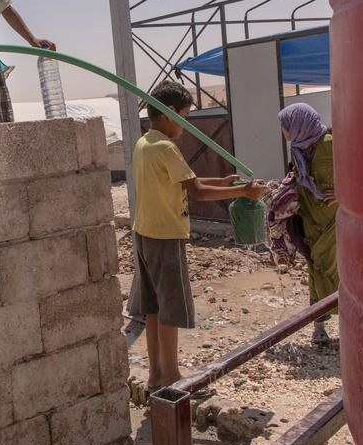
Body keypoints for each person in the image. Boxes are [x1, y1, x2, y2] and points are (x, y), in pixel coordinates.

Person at [133, 80, 266, 395]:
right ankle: (173, 380)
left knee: (152, 309)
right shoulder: (167, 146)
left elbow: (182, 180)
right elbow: (197, 191)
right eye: (183, 116)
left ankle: (154, 377)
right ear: (168, 115)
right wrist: (244, 190)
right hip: (165, 237)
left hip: (144, 234)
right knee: (170, 309)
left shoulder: (145, 143)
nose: (185, 124)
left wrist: (222, 179)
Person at [277, 102, 339, 347]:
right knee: (316, 270)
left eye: (285, 126)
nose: (283, 131)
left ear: (300, 124)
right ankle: (319, 326)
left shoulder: (332, 144)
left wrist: (347, 195)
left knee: (339, 270)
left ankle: (350, 323)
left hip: (335, 220)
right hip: (311, 221)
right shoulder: (299, 149)